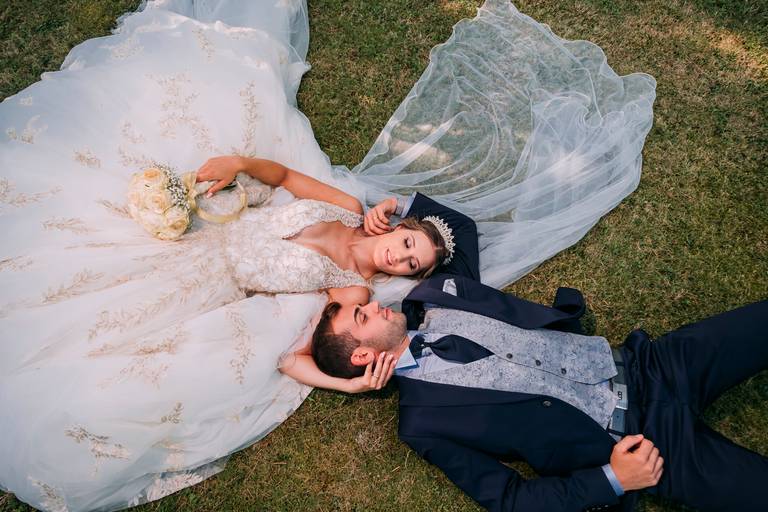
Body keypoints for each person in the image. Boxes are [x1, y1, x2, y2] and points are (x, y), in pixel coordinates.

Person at [0, 1, 656, 510]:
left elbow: (292, 360)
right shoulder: (344, 204)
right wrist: (238, 164)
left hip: (200, 278)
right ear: (398, 225)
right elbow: (284, 177)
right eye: (407, 242)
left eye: (410, 265)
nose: (400, 258)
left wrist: (349, 383)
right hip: (215, 216)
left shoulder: (351, 295)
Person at [314, 271, 768, 511]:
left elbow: (452, 225)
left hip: (651, 364)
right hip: (643, 446)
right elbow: (511, 500)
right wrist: (614, 479)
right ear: (363, 356)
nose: (375, 304)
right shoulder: (421, 425)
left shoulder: (435, 295)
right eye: (362, 317)